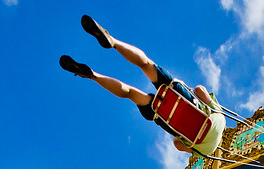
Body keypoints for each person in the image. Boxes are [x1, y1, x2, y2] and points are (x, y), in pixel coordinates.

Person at [59, 15, 225, 157]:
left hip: (181, 97)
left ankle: (114, 42)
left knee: (146, 64)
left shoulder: (222, 119)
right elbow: (178, 144)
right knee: (131, 93)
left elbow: (199, 90)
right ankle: (93, 76)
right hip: (166, 117)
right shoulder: (204, 152)